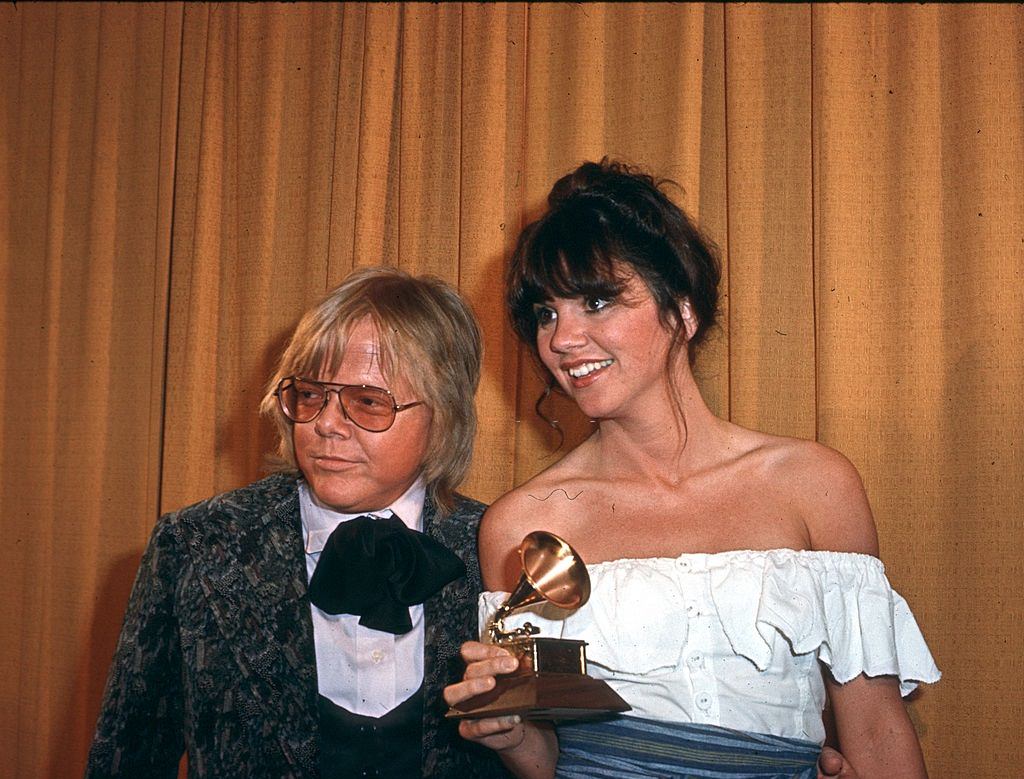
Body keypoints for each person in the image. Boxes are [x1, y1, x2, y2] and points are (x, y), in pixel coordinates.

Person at [444, 159, 941, 778]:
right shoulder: (521, 525)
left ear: (682, 309)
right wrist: (511, 735)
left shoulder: (813, 485)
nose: (562, 339)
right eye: (546, 313)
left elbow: (875, 726)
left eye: (597, 301)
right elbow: (544, 758)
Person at [87, 267, 506, 778]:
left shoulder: (499, 547)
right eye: (310, 395)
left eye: (368, 402)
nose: (325, 424)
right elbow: (126, 761)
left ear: (445, 415)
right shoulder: (197, 544)